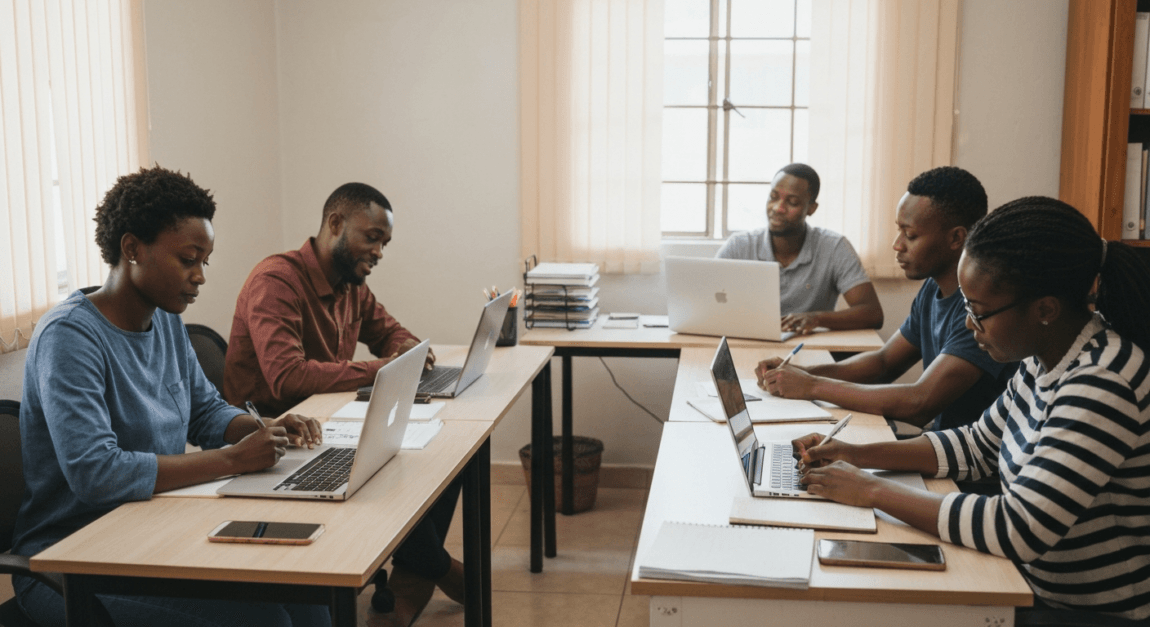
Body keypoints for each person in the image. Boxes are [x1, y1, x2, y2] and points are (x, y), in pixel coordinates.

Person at [792, 197, 1150, 622]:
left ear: (1045, 310)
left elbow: (1019, 527)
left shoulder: (1101, 381)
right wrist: (854, 454)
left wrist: (870, 490)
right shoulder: (1048, 358)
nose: (967, 325)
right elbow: (975, 446)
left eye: (978, 313)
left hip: (1093, 613)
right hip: (1030, 585)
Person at [11, 166, 329, 627]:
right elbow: (96, 473)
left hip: (153, 532)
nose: (200, 276)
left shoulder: (165, 321)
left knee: (310, 597)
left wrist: (259, 429)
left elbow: (204, 412)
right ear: (132, 249)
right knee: (265, 621)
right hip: (71, 561)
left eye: (205, 261)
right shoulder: (69, 338)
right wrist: (233, 461)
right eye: (188, 259)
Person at [223, 182, 461, 625]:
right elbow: (287, 375)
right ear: (336, 224)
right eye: (372, 237)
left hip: (324, 424)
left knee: (439, 461)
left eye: (384, 243)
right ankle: (438, 569)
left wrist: (406, 347)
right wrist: (384, 368)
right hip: (274, 439)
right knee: (392, 474)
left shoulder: (352, 283)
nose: (379, 251)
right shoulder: (276, 281)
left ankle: (417, 575)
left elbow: (390, 332)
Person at [757, 166, 1017, 435]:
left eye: (910, 235)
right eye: (899, 231)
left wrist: (811, 385)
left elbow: (920, 403)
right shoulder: (932, 288)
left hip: (967, 463)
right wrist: (800, 373)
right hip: (940, 443)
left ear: (956, 238)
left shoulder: (978, 309)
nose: (897, 244)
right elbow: (883, 363)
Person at [717, 163, 883, 334]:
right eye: (773, 197)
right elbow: (705, 303)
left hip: (811, 348)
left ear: (811, 208)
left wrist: (816, 319)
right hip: (749, 341)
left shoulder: (834, 247)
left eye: (792, 202)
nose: (778, 208)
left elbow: (873, 314)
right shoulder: (739, 245)